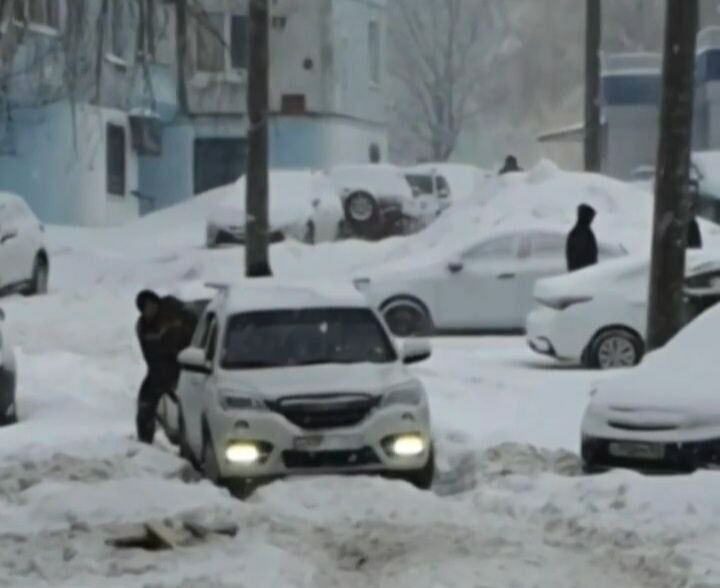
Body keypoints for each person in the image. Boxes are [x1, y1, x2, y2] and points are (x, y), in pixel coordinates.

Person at [135, 292, 195, 444]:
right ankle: (144, 443)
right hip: (159, 371)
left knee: (188, 408)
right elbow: (150, 356)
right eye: (146, 307)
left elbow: (196, 334)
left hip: (188, 366)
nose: (150, 309)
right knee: (145, 405)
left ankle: (188, 441)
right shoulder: (143, 327)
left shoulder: (175, 312)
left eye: (152, 304)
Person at [566, 203, 598, 272]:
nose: (592, 219)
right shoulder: (583, 233)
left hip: (579, 274)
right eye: (591, 217)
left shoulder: (575, 232)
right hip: (583, 274)